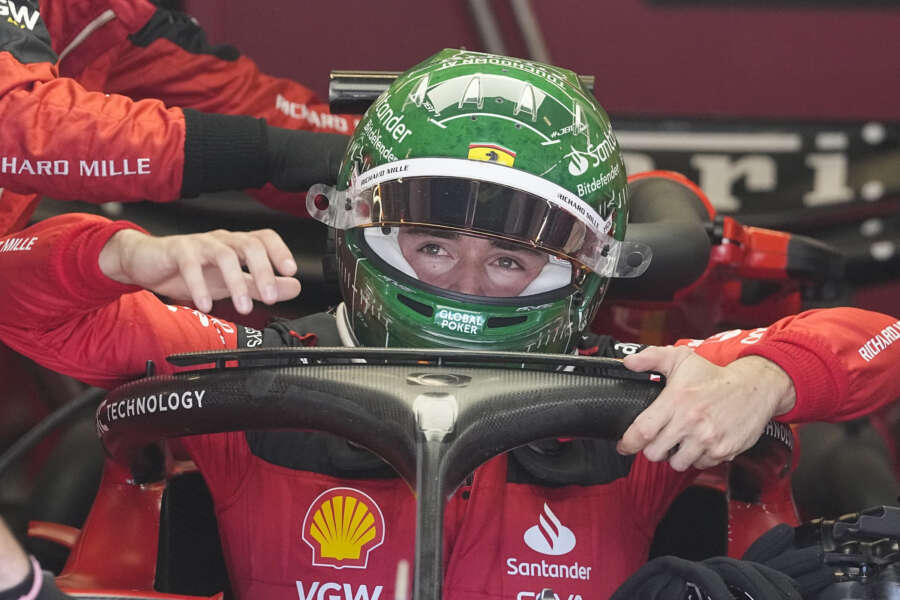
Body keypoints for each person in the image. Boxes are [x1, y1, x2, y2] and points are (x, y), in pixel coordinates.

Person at [1, 49, 899, 600]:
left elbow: (879, 339)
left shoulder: (656, 389)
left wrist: (762, 377)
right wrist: (117, 255)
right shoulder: (235, 366)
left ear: (584, 272)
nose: (467, 278)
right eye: (432, 244)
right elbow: (25, 302)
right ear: (360, 230)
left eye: (510, 259)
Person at [0, 0, 354, 236]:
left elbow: (254, 108)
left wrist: (385, 143)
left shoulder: (112, 16)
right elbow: (16, 120)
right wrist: (266, 153)